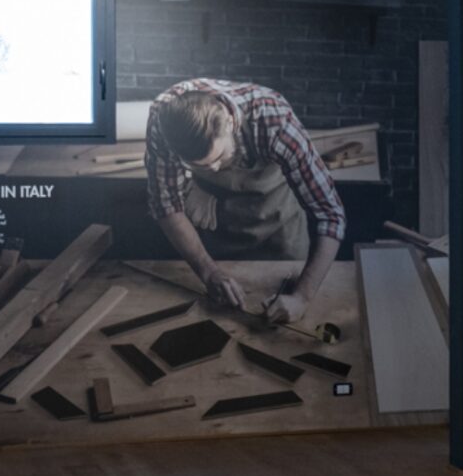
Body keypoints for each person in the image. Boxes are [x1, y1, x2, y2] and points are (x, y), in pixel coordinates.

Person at [142, 78, 346, 322]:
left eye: (219, 157)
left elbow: (329, 214)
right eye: (200, 166)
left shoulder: (273, 119)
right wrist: (208, 272)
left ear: (229, 122)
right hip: (218, 231)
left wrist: (302, 297)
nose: (214, 169)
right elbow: (165, 204)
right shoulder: (165, 121)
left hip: (280, 226)